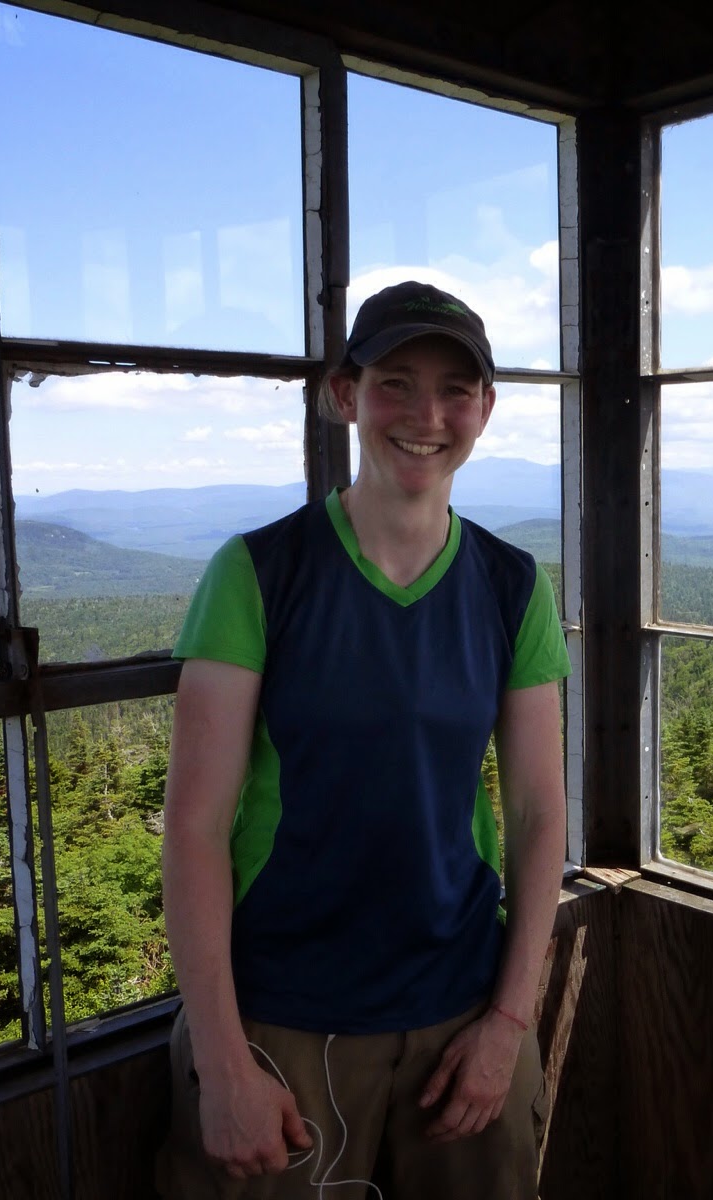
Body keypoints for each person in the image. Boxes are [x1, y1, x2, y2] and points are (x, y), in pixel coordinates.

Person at [155, 280, 570, 1199]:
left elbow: (541, 813)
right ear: (344, 395)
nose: (428, 416)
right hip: (280, 1019)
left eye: (455, 390)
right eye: (395, 384)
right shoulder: (259, 573)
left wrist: (509, 1023)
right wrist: (221, 1061)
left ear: (485, 409)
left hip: (462, 1013)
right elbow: (194, 828)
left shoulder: (512, 587)